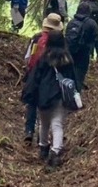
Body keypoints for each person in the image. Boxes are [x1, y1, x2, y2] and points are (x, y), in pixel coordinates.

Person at [21, 14, 74, 168]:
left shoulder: (43, 58)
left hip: (44, 95)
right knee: (57, 124)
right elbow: (72, 78)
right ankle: (55, 152)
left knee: (44, 123)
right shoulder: (67, 58)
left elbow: (35, 77)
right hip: (61, 95)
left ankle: (43, 148)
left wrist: (31, 93)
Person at [21, 12, 60, 144]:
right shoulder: (58, 42)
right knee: (44, 105)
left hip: (34, 74)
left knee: (32, 103)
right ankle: (41, 135)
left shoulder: (36, 38)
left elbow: (28, 57)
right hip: (49, 77)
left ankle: (29, 131)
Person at [64, 1, 98, 92]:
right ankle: (76, 94)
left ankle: (66, 93)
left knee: (68, 74)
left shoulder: (71, 22)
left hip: (69, 52)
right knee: (79, 75)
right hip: (83, 53)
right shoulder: (91, 23)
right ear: (89, 11)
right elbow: (97, 40)